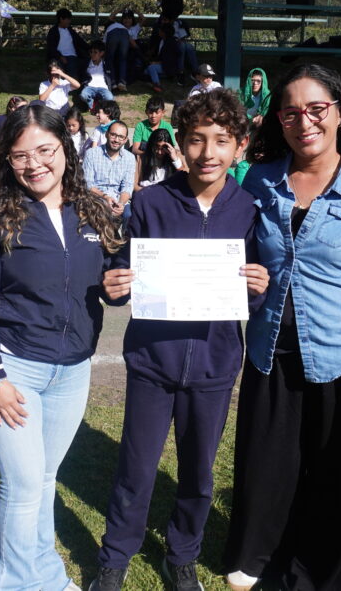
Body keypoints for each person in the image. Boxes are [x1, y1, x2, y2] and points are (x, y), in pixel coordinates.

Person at [223, 63, 341, 591]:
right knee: (272, 471)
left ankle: (331, 572)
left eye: (316, 109)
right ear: (278, 120)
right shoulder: (259, 180)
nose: (303, 120)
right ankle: (262, 558)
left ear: (338, 113)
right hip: (270, 356)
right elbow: (233, 256)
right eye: (290, 111)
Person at [89, 90, 269, 591]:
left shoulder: (251, 210)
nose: (208, 152)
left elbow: (252, 295)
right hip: (152, 362)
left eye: (221, 141)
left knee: (198, 473)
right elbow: (122, 270)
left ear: (240, 146)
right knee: (136, 467)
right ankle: (116, 554)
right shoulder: (150, 203)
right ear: (179, 146)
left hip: (214, 365)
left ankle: (182, 552)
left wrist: (258, 289)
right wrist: (114, 282)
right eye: (196, 140)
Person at [0, 103, 123, 591]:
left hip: (72, 370)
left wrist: (123, 288)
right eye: (20, 155)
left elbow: (112, 274)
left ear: (65, 149)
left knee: (45, 479)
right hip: (14, 368)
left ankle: (46, 576)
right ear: (7, 161)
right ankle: (18, 585)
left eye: (45, 150)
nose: (34, 164)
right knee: (24, 485)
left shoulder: (91, 208)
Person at [83, 120, 136, 218]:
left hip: (119, 198)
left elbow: (127, 186)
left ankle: (124, 233)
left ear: (125, 140)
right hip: (97, 198)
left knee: (130, 215)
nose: (116, 140)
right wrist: (105, 198)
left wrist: (121, 203)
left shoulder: (130, 158)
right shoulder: (92, 154)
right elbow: (88, 184)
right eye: (113, 135)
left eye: (121, 137)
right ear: (107, 134)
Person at [46, 8, 89, 80]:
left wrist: (90, 48)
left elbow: (81, 42)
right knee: (57, 67)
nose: (69, 21)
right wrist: (60, 56)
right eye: (68, 19)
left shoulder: (71, 31)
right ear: (61, 19)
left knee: (73, 70)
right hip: (58, 57)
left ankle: (73, 87)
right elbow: (51, 48)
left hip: (72, 56)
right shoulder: (53, 31)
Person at [145, 23, 180, 93]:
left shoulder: (171, 43)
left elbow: (169, 60)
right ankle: (163, 77)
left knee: (151, 68)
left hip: (168, 67)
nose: (159, 31)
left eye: (160, 30)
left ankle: (157, 84)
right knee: (145, 71)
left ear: (164, 33)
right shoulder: (161, 40)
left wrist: (156, 62)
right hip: (162, 65)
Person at [81, 40, 115, 112]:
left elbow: (111, 76)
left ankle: (98, 105)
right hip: (90, 87)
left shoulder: (107, 64)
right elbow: (82, 75)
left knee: (110, 98)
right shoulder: (86, 63)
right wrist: (84, 82)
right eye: (91, 52)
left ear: (101, 53)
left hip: (103, 87)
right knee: (83, 95)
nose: (92, 54)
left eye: (95, 52)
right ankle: (92, 106)